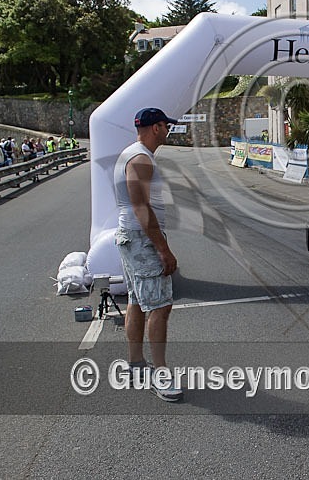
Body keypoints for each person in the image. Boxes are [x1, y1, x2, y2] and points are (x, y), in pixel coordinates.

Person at [113, 107, 181, 402]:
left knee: (137, 302)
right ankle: (160, 374)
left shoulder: (134, 153)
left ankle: (136, 364)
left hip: (133, 238)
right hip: (142, 239)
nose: (168, 130)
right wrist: (163, 249)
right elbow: (141, 207)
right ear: (156, 127)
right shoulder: (140, 158)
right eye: (166, 126)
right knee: (159, 306)